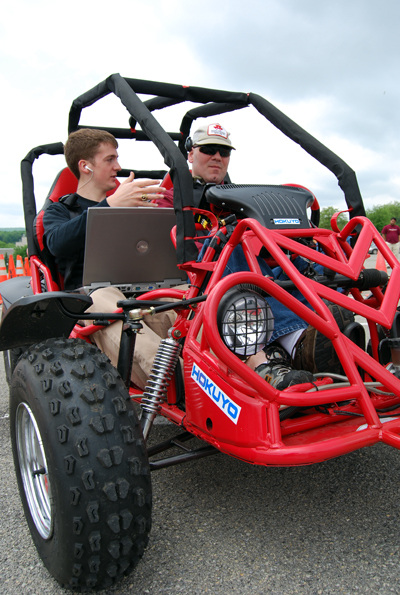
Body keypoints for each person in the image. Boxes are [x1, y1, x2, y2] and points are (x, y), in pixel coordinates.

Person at [157, 123, 350, 389]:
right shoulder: (169, 199)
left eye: (224, 152)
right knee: (232, 242)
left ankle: (345, 335)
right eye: (209, 149)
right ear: (190, 154)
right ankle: (291, 345)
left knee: (305, 256)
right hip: (201, 277)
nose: (217, 157)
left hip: (254, 274)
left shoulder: (242, 200)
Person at [43, 128, 174, 389]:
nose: (119, 166)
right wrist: (110, 206)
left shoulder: (133, 204)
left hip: (143, 290)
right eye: (110, 159)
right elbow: (57, 243)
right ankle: (176, 376)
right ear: (86, 166)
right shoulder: (61, 209)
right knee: (106, 300)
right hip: (92, 297)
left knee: (187, 294)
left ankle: (236, 366)